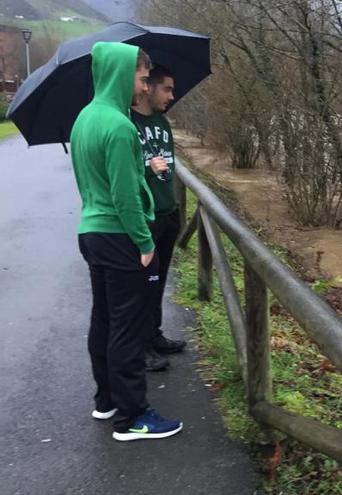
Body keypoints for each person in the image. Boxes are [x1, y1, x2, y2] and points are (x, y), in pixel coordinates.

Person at [71, 42, 182, 441]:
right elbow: (125, 196)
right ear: (121, 75)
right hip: (120, 235)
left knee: (103, 320)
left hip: (92, 231)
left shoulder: (85, 118)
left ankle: (107, 401)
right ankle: (133, 416)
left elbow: (95, 181)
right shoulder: (119, 126)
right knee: (127, 328)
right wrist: (144, 242)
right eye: (139, 77)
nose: (143, 85)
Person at [131, 65, 187, 372]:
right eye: (166, 89)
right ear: (147, 87)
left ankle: (154, 335)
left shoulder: (162, 123)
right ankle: (140, 346)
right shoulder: (127, 123)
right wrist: (144, 168)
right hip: (146, 217)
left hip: (169, 213)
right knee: (143, 284)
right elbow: (123, 173)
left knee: (159, 280)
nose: (171, 95)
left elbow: (169, 167)